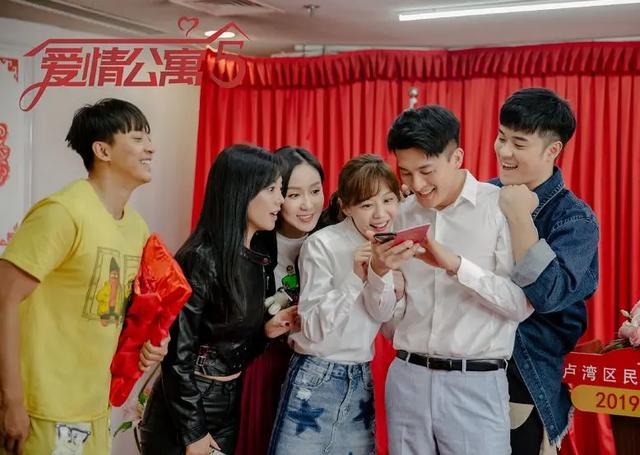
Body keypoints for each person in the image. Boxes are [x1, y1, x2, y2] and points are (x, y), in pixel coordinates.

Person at [0, 98, 167, 455]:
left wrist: (151, 344)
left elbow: (121, 312)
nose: (150, 148)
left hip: (94, 409)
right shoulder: (63, 213)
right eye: (138, 138)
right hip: (42, 409)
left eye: (149, 138)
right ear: (102, 150)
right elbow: (4, 298)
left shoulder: (136, 227)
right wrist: (11, 400)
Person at [367, 105, 533, 455]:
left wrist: (456, 265)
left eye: (426, 171)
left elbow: (521, 305)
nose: (416, 185)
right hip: (407, 378)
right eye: (406, 172)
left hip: (475, 383)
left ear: (456, 157)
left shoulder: (498, 208)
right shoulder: (401, 215)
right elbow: (388, 323)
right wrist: (380, 276)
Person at [139, 145, 298, 455]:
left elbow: (232, 349)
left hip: (228, 403)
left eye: (280, 190)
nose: (280, 200)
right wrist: (193, 432)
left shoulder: (257, 260)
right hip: (185, 409)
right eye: (271, 189)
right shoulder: (200, 259)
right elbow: (177, 357)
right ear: (241, 192)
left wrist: (265, 332)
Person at [268, 154, 405, 455]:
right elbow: (313, 328)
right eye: (367, 205)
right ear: (346, 206)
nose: (380, 214)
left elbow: (383, 317)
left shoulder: (394, 245)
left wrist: (381, 274)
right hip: (315, 375)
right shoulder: (321, 244)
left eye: (388, 200)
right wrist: (355, 279)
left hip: (360, 376)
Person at [491, 88, 599, 454]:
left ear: (552, 150)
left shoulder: (575, 220)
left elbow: (549, 295)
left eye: (519, 143)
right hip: (459, 373)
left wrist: (520, 218)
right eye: (501, 137)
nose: (504, 151)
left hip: (522, 378)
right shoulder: (481, 196)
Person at [235, 146, 325, 455]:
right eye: (294, 194)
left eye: (315, 191)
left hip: (317, 367)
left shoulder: (333, 237)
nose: (308, 204)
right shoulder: (253, 242)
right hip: (265, 365)